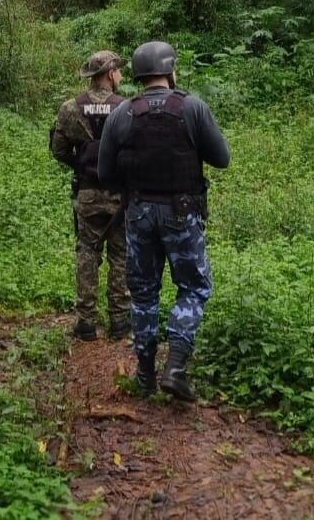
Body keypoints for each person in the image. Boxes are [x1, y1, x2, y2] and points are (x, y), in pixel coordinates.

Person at [98, 40, 229, 401]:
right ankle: (176, 366)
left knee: (142, 293)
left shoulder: (121, 113)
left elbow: (105, 173)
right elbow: (222, 159)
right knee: (193, 287)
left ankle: (144, 375)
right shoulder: (193, 107)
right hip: (181, 214)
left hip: (138, 215)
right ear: (170, 71)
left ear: (139, 75)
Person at [50, 50, 130, 341]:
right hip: (119, 196)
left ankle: (86, 321)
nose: (120, 75)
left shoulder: (70, 108)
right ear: (109, 74)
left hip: (87, 193)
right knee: (120, 254)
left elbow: (58, 149)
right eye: (118, 70)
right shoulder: (126, 108)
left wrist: (83, 164)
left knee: (87, 251)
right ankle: (120, 320)